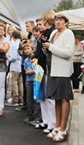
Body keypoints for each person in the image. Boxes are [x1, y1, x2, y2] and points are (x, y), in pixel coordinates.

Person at [43, 13, 75, 142]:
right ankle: (57, 126)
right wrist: (46, 48)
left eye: (61, 20)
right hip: (52, 70)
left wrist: (51, 47)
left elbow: (68, 53)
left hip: (63, 71)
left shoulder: (69, 33)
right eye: (56, 20)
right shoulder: (53, 33)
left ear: (66, 22)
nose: (58, 22)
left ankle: (63, 129)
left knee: (64, 99)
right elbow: (51, 51)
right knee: (56, 99)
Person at [35, 12, 56, 134]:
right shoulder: (42, 36)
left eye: (40, 24)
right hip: (40, 68)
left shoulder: (51, 33)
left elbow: (47, 51)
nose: (39, 27)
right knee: (41, 96)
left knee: (49, 98)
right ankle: (46, 120)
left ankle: (52, 123)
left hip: (48, 68)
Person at [22, 42, 41, 124]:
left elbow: (38, 69)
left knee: (36, 99)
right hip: (28, 80)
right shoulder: (26, 60)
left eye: (28, 48)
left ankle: (37, 117)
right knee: (29, 98)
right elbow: (25, 70)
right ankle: (30, 116)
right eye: (25, 49)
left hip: (35, 80)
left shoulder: (36, 59)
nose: (26, 51)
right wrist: (28, 72)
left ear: (33, 49)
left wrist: (32, 71)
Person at [8, 29, 23, 106]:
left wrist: (8, 59)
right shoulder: (20, 42)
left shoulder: (13, 44)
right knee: (20, 83)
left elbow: (13, 57)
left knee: (14, 83)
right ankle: (20, 99)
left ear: (13, 36)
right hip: (20, 65)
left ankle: (15, 100)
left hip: (14, 65)